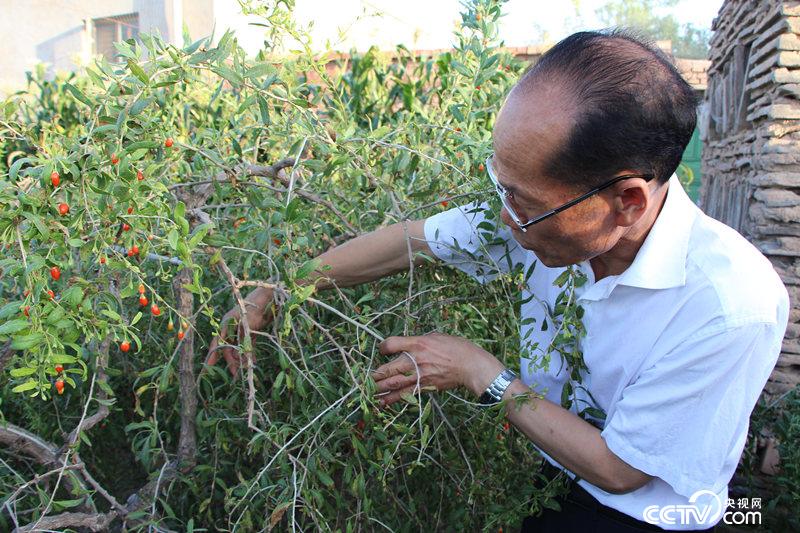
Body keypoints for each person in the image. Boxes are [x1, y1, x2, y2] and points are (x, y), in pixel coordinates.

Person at [206, 30, 790, 532]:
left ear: (627, 201)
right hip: (554, 473)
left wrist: (478, 371)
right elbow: (411, 242)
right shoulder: (533, 216)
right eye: (500, 185)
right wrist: (276, 290)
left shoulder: (730, 304)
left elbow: (621, 470)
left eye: (524, 202)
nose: (504, 218)